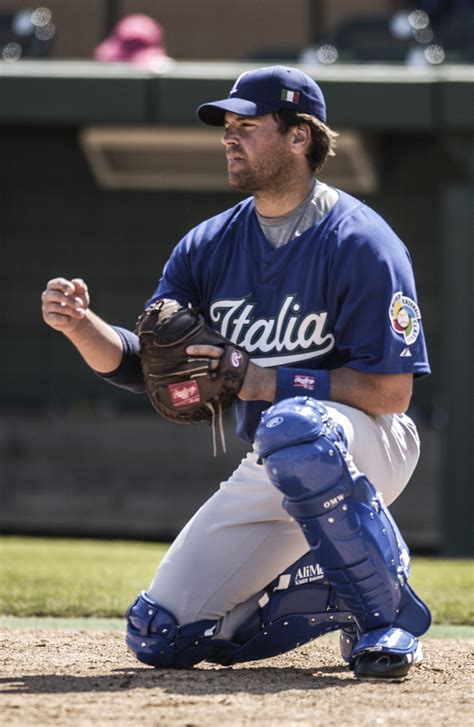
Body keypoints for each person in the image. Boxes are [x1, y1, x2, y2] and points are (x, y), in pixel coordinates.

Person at [41, 66, 431, 680]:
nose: (229, 137)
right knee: (159, 635)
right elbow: (153, 368)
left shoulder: (361, 241)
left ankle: (385, 618)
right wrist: (81, 326)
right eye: (227, 126)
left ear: (300, 137)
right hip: (274, 460)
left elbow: (392, 393)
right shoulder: (208, 245)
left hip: (366, 442)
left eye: (247, 125)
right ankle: (332, 587)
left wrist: (269, 381)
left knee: (295, 425)